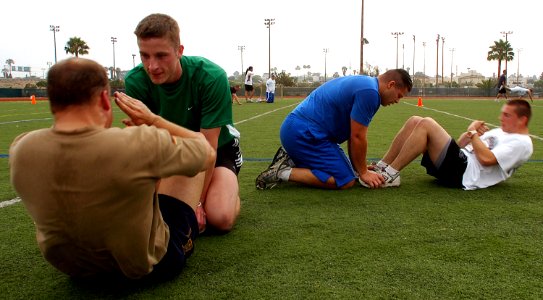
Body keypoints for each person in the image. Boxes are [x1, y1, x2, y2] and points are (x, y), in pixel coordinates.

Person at [9, 58, 216, 279]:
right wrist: (154, 120)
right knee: (188, 169)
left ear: (52, 102)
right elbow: (206, 152)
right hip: (148, 267)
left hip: (75, 270)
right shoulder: (139, 142)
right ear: (104, 100)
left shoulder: (21, 148)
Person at [125, 13, 242, 234]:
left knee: (219, 218)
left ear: (179, 51)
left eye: (161, 56)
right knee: (161, 217)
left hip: (217, 151)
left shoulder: (211, 77)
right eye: (144, 56)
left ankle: (229, 193)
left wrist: (198, 203)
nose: (152, 66)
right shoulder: (136, 82)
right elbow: (148, 146)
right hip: (172, 151)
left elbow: (208, 147)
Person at [255, 69, 413, 190]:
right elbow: (357, 137)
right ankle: (281, 172)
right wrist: (363, 173)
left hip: (303, 130)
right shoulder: (370, 93)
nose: (398, 100)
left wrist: (360, 168)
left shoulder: (367, 85)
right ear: (391, 85)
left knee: (351, 172)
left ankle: (294, 159)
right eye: (399, 95)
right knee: (345, 180)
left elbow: (353, 135)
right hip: (304, 133)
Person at [372, 99, 532, 190]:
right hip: (459, 163)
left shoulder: (522, 143)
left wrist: (473, 132)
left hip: (465, 174)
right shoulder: (501, 132)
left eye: (507, 115)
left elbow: (486, 159)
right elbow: (462, 144)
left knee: (427, 123)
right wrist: (470, 135)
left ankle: (391, 174)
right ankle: (382, 167)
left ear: (522, 120)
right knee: (415, 120)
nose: (501, 118)